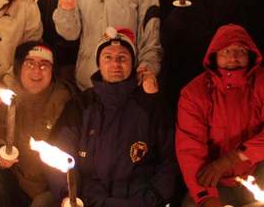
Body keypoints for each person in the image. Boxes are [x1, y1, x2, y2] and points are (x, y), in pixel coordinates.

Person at [48, 27, 176, 206]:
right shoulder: (80, 105)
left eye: (122, 57)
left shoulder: (151, 105)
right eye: (108, 57)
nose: (115, 64)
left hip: (140, 201)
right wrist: (68, 196)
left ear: (133, 63)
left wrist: (155, 198)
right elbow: (61, 151)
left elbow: (169, 158)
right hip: (90, 201)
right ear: (98, 63)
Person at [175, 24, 264, 207]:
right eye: (225, 51)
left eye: (239, 51)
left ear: (250, 54)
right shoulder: (194, 93)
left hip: (260, 173)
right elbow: (190, 150)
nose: (232, 57)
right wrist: (207, 198)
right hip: (217, 183)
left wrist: (233, 158)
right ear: (214, 56)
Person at [0, 41, 72, 207]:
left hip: (51, 187)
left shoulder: (66, 101)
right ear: (19, 68)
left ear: (52, 71)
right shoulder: (4, 97)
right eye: (30, 64)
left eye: (44, 65)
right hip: (15, 181)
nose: (36, 70)